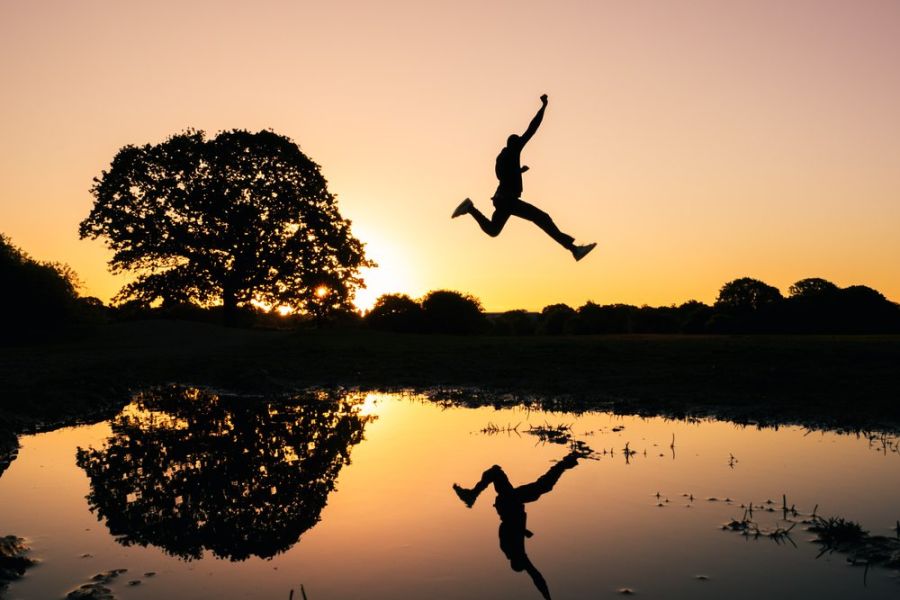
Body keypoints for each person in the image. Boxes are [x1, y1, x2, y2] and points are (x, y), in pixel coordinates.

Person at [452, 94, 596, 261]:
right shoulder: (513, 150)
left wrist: (518, 171)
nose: (521, 141)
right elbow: (531, 129)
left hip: (502, 199)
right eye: (518, 141)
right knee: (542, 217)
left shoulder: (503, 156)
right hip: (507, 200)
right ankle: (574, 250)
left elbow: (501, 176)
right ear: (513, 143)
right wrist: (543, 107)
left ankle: (470, 208)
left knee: (493, 230)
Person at [452, 451, 582, 599]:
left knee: (504, 474)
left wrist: (522, 530)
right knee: (539, 485)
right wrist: (523, 531)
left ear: (515, 561)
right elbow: (536, 576)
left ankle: (472, 495)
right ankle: (566, 462)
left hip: (510, 502)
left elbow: (536, 576)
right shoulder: (513, 550)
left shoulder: (514, 550)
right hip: (511, 502)